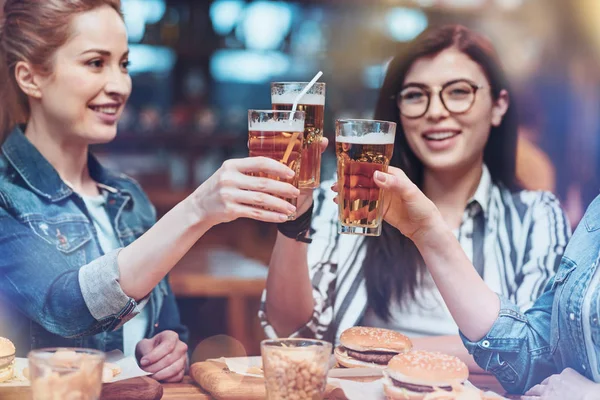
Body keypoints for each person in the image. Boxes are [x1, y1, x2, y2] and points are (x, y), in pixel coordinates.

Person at [0, 0, 299, 383]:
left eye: (124, 64)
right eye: (96, 63)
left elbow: (167, 330)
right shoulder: (7, 195)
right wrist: (197, 209)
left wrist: (166, 350)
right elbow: (67, 307)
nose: (119, 85)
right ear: (30, 78)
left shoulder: (129, 199)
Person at [259, 24, 570, 372]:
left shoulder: (536, 217)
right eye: (415, 95)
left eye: (458, 92)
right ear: (397, 114)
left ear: (498, 106)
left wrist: (374, 351)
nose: (435, 111)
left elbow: (535, 346)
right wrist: (296, 217)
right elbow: (292, 333)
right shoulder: (351, 199)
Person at [370, 160, 600, 399]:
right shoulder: (596, 213)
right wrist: (427, 231)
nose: (436, 119)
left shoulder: (535, 211)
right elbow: (532, 355)